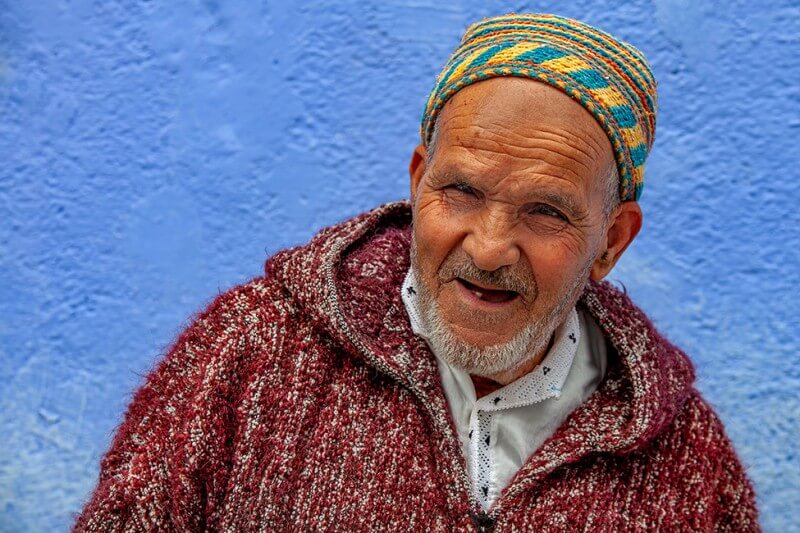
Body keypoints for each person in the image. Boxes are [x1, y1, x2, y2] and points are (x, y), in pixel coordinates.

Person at [75, 13, 759, 532]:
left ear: (611, 241)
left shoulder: (690, 469)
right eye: (461, 191)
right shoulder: (247, 355)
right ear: (417, 181)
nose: (489, 249)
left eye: (546, 211)